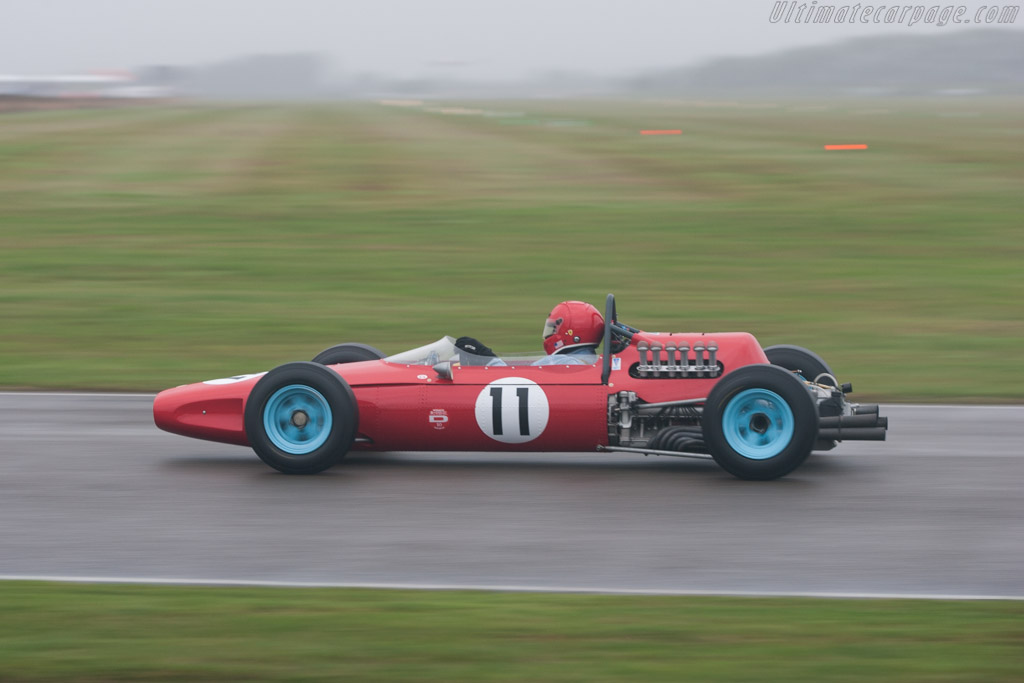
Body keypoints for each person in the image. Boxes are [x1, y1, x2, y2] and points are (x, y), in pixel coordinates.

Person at [454, 300, 604, 366]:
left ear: (572, 334)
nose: (550, 334)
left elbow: (518, 380)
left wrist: (486, 358)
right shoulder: (592, 361)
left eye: (554, 329)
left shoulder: (562, 363)